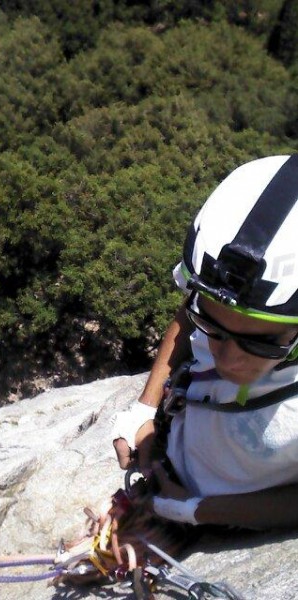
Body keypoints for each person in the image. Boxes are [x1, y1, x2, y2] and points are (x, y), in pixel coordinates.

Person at [112, 154, 298, 531]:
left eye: (258, 344)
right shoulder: (214, 281)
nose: (226, 357)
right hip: (176, 461)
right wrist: (144, 411)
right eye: (211, 325)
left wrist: (201, 511)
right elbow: (189, 309)